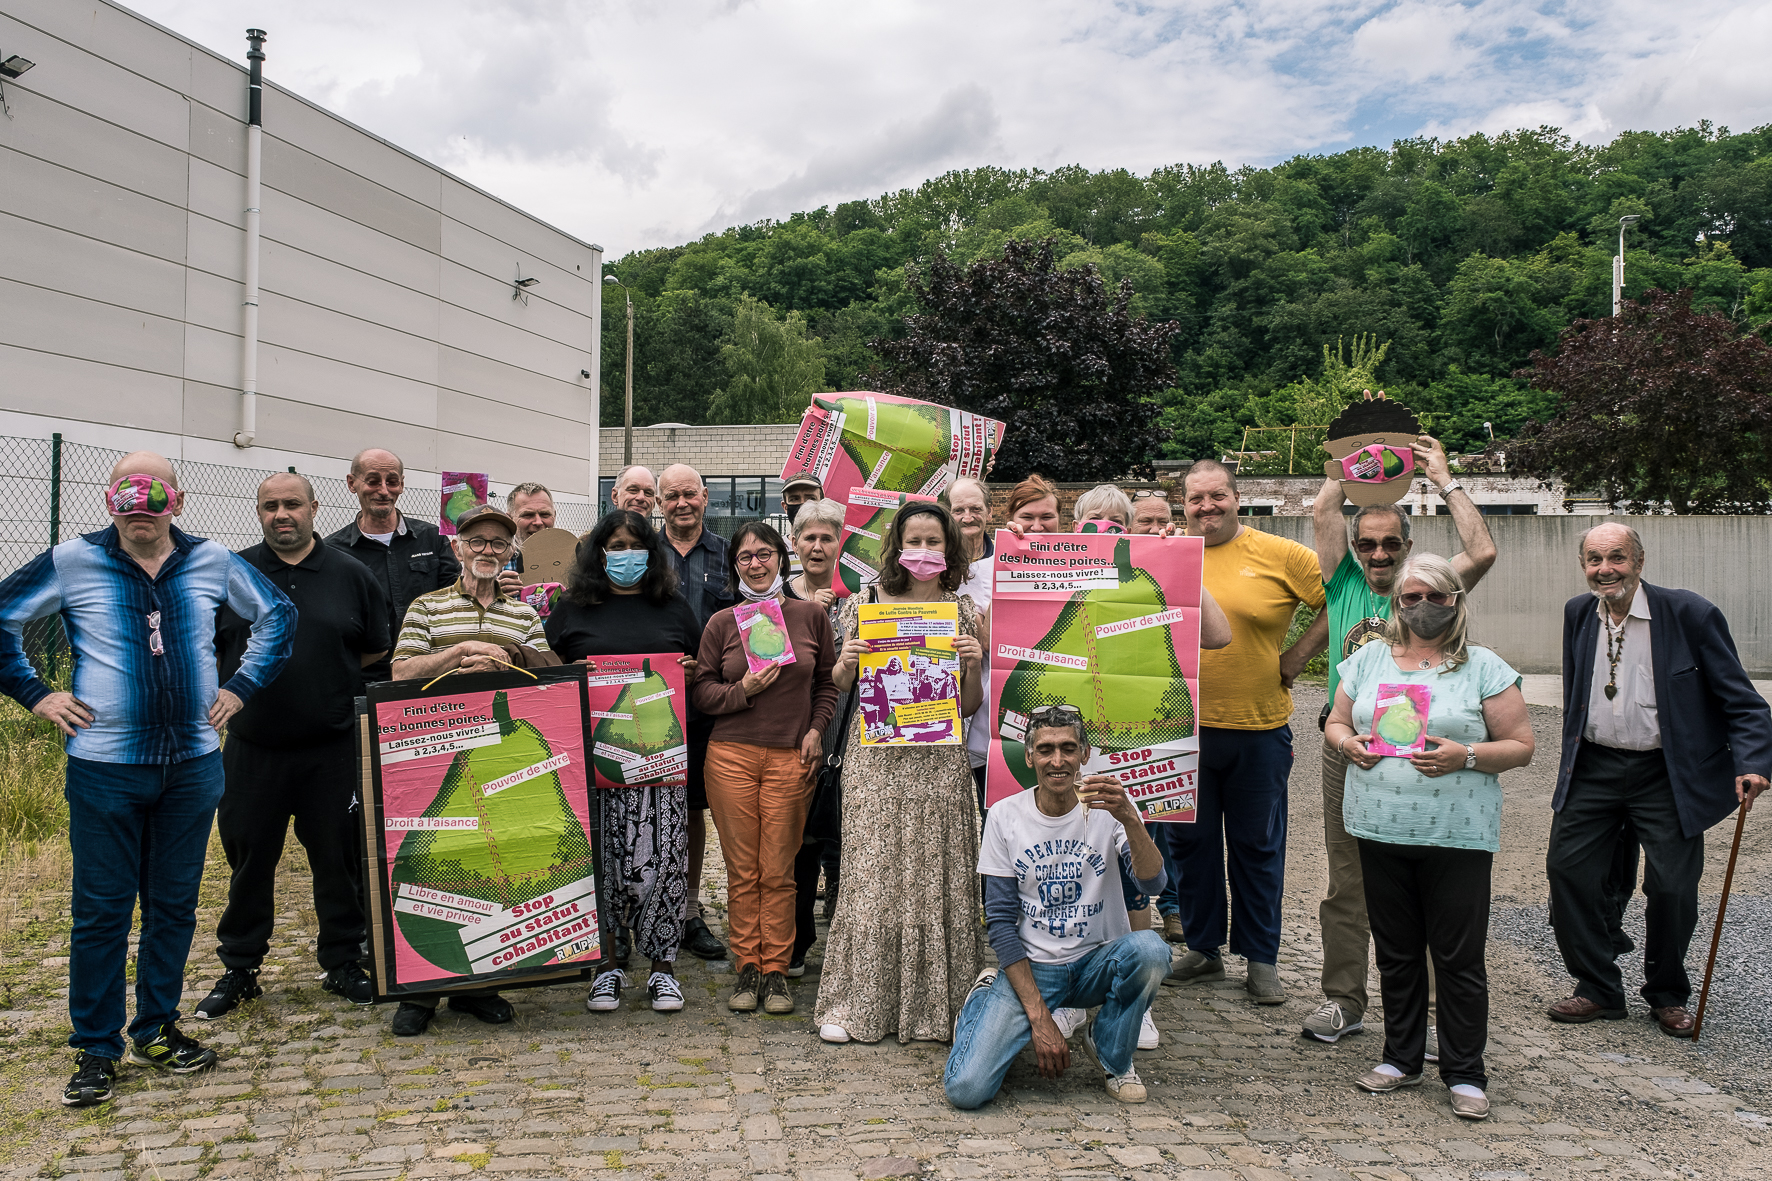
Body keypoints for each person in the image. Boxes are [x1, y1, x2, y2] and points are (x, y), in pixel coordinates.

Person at [0, 452, 295, 1108]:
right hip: (106, 769)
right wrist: (36, 694)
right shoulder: (73, 560)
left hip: (191, 768)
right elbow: (2, 618)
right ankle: (95, 1047)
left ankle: (157, 1027)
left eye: (152, 501)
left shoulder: (212, 560)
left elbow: (278, 616)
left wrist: (242, 685)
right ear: (109, 502)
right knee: (101, 911)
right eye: (127, 502)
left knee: (173, 906)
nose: (140, 513)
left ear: (177, 501)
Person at [1305, 425, 1498, 1046]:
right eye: (1369, 545)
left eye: (1390, 544)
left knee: (1430, 871)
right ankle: (1344, 1001)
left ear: (1408, 544)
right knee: (1348, 876)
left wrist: (1445, 480)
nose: (1379, 555)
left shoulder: (1427, 588)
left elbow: (1484, 550)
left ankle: (1436, 1005)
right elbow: (1324, 506)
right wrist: (1352, 456)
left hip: (1422, 747)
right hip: (1350, 748)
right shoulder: (1341, 581)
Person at [1325, 554, 1534, 1121]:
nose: (1422, 607)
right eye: (1411, 597)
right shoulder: (1368, 660)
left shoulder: (1484, 666)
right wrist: (1349, 744)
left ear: (1456, 602)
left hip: (1456, 835)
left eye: (1435, 597)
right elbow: (1336, 721)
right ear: (1396, 603)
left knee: (1458, 957)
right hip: (1378, 827)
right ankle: (1401, 1058)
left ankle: (1465, 1070)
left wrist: (1464, 754)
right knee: (1395, 952)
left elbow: (1520, 744)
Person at [1545, 524, 1772, 1037]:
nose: (1606, 569)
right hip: (1595, 767)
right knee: (1568, 872)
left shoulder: (1689, 613)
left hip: (1666, 771)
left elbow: (1743, 700)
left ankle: (1667, 993)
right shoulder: (1578, 613)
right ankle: (1598, 988)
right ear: (1584, 565)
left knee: (1671, 886)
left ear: (1640, 562)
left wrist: (1753, 762)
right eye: (1595, 559)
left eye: (1617, 558)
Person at [198, 474, 390, 1022]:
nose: (282, 514)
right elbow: (205, 649)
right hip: (252, 746)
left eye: (292, 504)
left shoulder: (351, 575)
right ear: (258, 512)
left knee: (338, 860)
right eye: (270, 506)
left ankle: (342, 960)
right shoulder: (230, 573)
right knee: (249, 860)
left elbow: (377, 651)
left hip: (331, 749)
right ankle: (240, 966)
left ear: (313, 508)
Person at [384, 503, 558, 1035]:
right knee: (436, 855)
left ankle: (480, 983)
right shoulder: (427, 607)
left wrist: (504, 656)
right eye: (476, 541)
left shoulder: (524, 614)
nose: (488, 550)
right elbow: (398, 671)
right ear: (457, 547)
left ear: (511, 551)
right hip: (429, 754)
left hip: (502, 755)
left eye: (498, 543)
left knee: (490, 858)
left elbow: (551, 671)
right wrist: (457, 653)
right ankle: (422, 990)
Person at [815, 503, 986, 1045]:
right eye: (915, 540)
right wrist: (849, 658)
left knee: (936, 875)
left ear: (950, 550)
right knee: (871, 870)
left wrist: (975, 664)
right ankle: (855, 1002)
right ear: (896, 545)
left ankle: (943, 1004)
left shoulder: (961, 612)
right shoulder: (864, 604)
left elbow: (969, 706)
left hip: (937, 759)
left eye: (935, 542)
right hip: (876, 758)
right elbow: (841, 684)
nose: (925, 552)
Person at [944, 705, 1172, 1108]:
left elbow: (1153, 883)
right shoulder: (1004, 816)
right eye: (1046, 749)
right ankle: (982, 1000)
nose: (1058, 760)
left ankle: (1112, 1056)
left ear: (1085, 754)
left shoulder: (1113, 808)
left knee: (1152, 951)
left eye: (1069, 748)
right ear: (1029, 756)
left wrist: (1131, 821)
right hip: (1036, 968)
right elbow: (998, 922)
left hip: (1096, 961)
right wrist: (1040, 1019)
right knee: (966, 1090)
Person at [1166, 459, 1327, 1004]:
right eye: (1195, 499)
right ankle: (1204, 948)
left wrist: (1299, 656)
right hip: (1180, 727)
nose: (1206, 507)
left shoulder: (1282, 554)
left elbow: (1342, 600)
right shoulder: (1168, 555)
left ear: (1238, 498)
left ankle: (1262, 958)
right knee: (1191, 845)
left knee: (1257, 846)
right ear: (1182, 504)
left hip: (1257, 728)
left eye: (1217, 496)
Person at [545, 510, 701, 1015]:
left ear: (651, 553)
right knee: (603, 863)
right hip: (593, 766)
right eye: (615, 545)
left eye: (635, 545)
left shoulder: (674, 608)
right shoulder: (572, 610)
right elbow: (540, 681)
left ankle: (662, 969)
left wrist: (691, 672)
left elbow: (699, 674)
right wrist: (568, 675)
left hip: (662, 764)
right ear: (599, 552)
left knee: (664, 862)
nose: (625, 554)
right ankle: (607, 964)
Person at [691, 522, 838, 1015]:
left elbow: (826, 684)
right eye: (745, 557)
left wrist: (816, 729)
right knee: (742, 869)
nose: (755, 563)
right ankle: (746, 968)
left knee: (779, 869)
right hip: (730, 755)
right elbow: (702, 691)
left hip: (789, 756)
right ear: (735, 566)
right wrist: (742, 692)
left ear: (782, 557)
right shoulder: (723, 622)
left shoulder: (810, 616)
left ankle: (776, 971)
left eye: (764, 553)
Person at [658, 463, 735, 961]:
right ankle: (635, 912)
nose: (681, 503)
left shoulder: (730, 555)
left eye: (690, 494)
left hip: (714, 703)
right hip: (649, 701)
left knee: (692, 809)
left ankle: (687, 912)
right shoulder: (639, 555)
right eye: (672, 496)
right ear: (659, 503)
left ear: (705, 497)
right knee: (640, 805)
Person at [326, 448, 459, 682]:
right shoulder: (333, 552)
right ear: (351, 483)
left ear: (402, 484)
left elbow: (457, 598)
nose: (384, 491)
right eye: (373, 481)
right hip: (366, 677)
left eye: (392, 481)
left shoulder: (432, 538)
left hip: (428, 672)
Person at [784, 499, 850, 958]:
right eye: (809, 537)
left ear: (841, 545)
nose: (818, 546)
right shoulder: (778, 597)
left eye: (828, 537)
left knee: (847, 839)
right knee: (799, 845)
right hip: (795, 734)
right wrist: (806, 612)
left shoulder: (865, 598)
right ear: (794, 543)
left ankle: (849, 946)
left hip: (849, 732)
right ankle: (797, 941)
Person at [495, 481, 559, 596]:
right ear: (510, 519)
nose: (538, 522)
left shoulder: (574, 557)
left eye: (545, 514)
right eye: (527, 515)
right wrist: (491, 593)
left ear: (554, 516)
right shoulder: (494, 560)